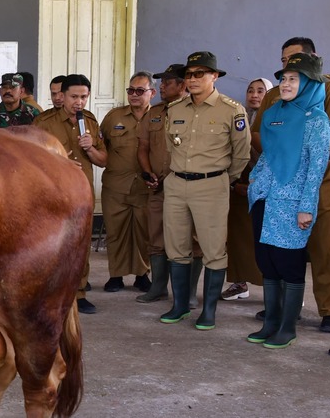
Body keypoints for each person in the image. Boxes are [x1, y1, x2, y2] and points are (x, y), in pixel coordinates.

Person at [253, 38, 330, 334]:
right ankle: (282, 310)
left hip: (319, 172)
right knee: (274, 245)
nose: (288, 66)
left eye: (295, 59)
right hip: (276, 176)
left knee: (322, 243)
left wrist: (287, 144)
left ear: (313, 57)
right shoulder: (275, 95)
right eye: (284, 60)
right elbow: (260, 133)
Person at [245, 53, 330, 349]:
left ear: (309, 83)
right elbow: (268, 154)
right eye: (283, 78)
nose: (285, 83)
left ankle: (287, 327)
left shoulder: (316, 121)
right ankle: (270, 322)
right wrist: (255, 181)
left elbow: (316, 167)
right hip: (264, 198)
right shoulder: (273, 114)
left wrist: (307, 207)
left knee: (289, 265)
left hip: (292, 203)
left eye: (293, 79)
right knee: (267, 263)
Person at [159, 52, 250, 330]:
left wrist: (222, 179)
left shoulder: (231, 110)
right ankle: (180, 305)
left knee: (213, 250)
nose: (193, 79)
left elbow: (241, 154)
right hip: (176, 184)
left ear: (215, 76)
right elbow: (170, 145)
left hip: (211, 185)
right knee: (176, 248)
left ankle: (208, 311)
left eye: (200, 73)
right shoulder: (175, 109)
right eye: (189, 74)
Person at [34, 74, 105, 313]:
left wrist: (90, 147)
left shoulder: (91, 122)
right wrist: (59, 163)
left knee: (81, 242)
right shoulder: (43, 122)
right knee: (52, 243)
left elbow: (104, 160)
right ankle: (50, 292)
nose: (79, 102)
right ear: (62, 96)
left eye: (84, 97)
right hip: (53, 193)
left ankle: (80, 292)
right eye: (74, 96)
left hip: (82, 192)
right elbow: (31, 162)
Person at [136, 63, 189, 303]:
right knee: (155, 237)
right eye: (161, 81)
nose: (162, 86)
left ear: (183, 84)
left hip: (186, 187)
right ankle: (158, 287)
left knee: (189, 240)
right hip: (157, 187)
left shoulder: (193, 112)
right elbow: (143, 148)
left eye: (168, 82)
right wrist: (147, 173)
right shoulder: (154, 113)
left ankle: (186, 294)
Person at [98, 72, 154, 293]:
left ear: (152, 93)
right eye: (131, 90)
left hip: (146, 187)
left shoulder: (160, 117)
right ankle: (116, 275)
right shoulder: (114, 117)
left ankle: (142, 275)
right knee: (116, 232)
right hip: (116, 185)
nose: (134, 95)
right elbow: (100, 145)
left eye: (140, 91)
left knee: (144, 232)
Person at [224, 77, 274, 301]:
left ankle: (277, 289)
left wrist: (259, 183)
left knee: (267, 239)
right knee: (239, 238)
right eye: (250, 90)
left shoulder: (275, 118)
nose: (254, 95)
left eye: (261, 91)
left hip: (269, 185)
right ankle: (239, 283)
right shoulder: (238, 116)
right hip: (241, 183)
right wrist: (236, 182)